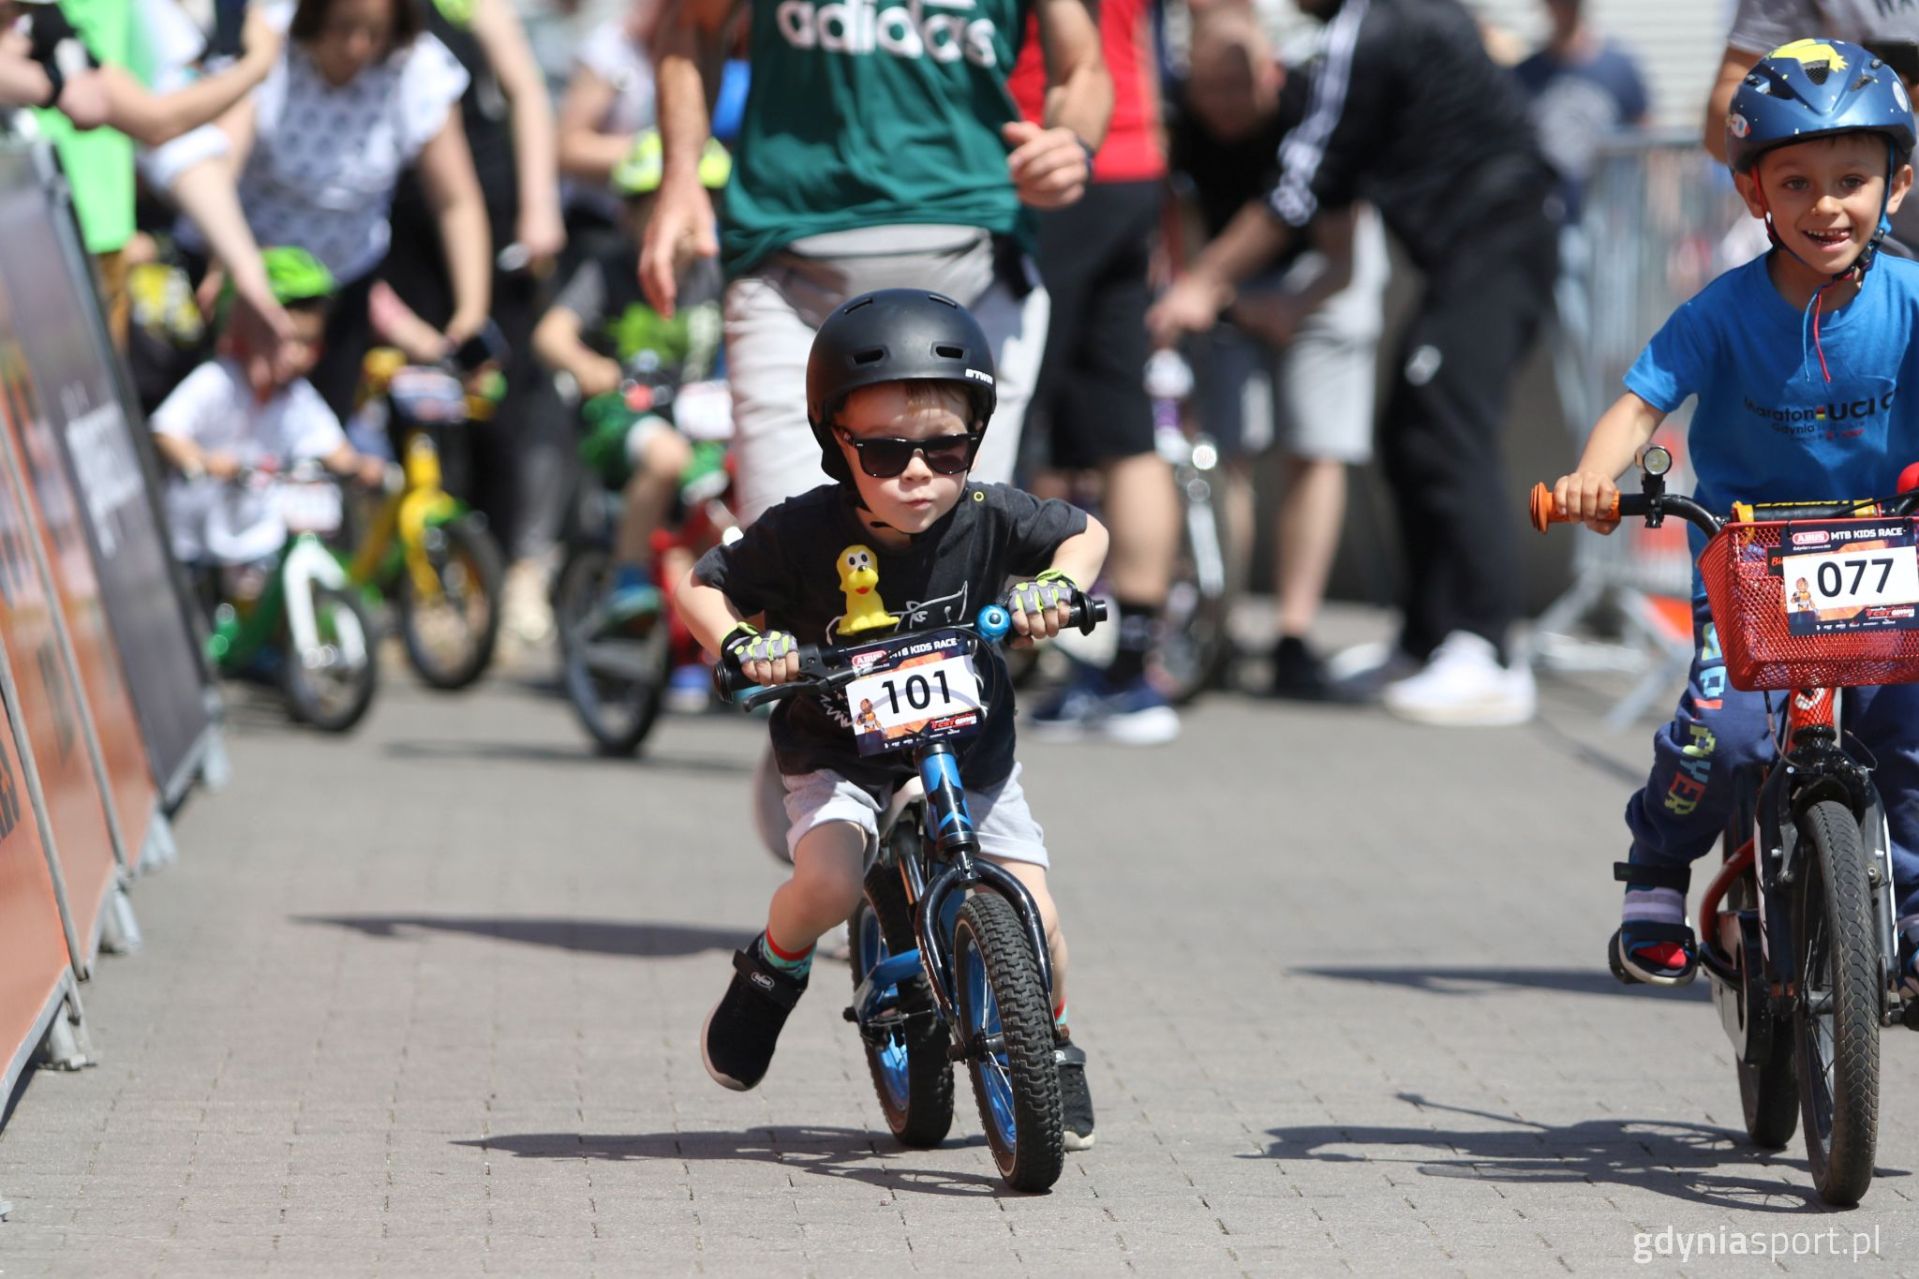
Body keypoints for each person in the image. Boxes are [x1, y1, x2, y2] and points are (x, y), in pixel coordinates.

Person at [673, 289, 1109, 1149]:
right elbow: (702, 586)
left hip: (968, 747)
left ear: (974, 437)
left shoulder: (989, 515)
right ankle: (772, 968)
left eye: (944, 448)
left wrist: (1055, 588)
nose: (917, 472)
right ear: (837, 442)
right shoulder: (802, 533)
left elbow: (1083, 533)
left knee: (1039, 917)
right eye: (884, 450)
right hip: (840, 747)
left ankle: (1050, 1041)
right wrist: (742, 646)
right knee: (831, 882)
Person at [1544, 41, 1919, 986]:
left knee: (1909, 735)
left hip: (1886, 555)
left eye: (1850, 180)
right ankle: (1658, 867)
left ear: (1897, 184)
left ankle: (1913, 912)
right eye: (1794, 183)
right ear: (1754, 193)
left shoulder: (1912, 298)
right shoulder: (1719, 312)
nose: (1825, 205)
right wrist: (1590, 476)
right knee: (1721, 733)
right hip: (1750, 561)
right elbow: (1639, 406)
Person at [1148, 0, 1558, 727]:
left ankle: (1488, 649)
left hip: (1498, 242)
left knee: (1448, 429)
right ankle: (1426, 639)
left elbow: (1304, 182)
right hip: (1467, 253)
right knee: (1409, 428)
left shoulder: (1367, 27)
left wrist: (1204, 281)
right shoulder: (1391, 21)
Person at [639, 0, 1112, 526]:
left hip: (974, 272)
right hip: (789, 275)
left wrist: (1071, 144)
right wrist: (679, 174)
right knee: (789, 553)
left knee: (956, 555)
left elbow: (1083, 67)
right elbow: (691, 25)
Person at [1168, 7, 1389, 700]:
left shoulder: (1307, 107)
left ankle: (1294, 633)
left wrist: (1291, 305)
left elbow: (1342, 252)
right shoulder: (1180, 119)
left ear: (1268, 74)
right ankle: (1221, 624)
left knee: (1313, 446)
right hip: (1227, 282)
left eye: (1237, 89)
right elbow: (1178, 226)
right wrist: (1219, 297)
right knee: (1225, 450)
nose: (1224, 106)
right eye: (1210, 90)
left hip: (1320, 277)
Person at [166, 0, 493, 423]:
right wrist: (224, 260)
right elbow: (220, 164)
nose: (357, 46)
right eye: (343, 28)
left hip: (339, 294)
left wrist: (470, 314)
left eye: (374, 33)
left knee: (318, 428)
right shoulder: (271, 41)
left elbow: (456, 203)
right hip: (243, 285)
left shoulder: (418, 69)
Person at [1003, 0, 1181, 745]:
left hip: (1052, 158)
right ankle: (1130, 669)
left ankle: (963, 655)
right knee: (1123, 425)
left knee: (1000, 406)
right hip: (1131, 163)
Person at [531, 129, 728, 625]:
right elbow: (550, 335)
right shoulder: (610, 271)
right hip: (622, 413)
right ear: (629, 215)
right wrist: (588, 366)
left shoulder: (716, 274)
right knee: (667, 457)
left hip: (697, 415)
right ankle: (628, 572)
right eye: (659, 209)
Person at [150, 246, 386, 575]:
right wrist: (200, 460)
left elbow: (334, 448)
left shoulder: (297, 399)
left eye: (308, 342)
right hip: (193, 544)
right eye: (285, 339)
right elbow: (166, 429)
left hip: (258, 547)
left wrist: (361, 466)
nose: (296, 355)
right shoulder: (218, 381)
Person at [1512, 0, 1648, 222]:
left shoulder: (1619, 68)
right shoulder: (1524, 74)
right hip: (1546, 216)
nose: (1564, 8)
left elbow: (1648, 143)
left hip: (1611, 218)